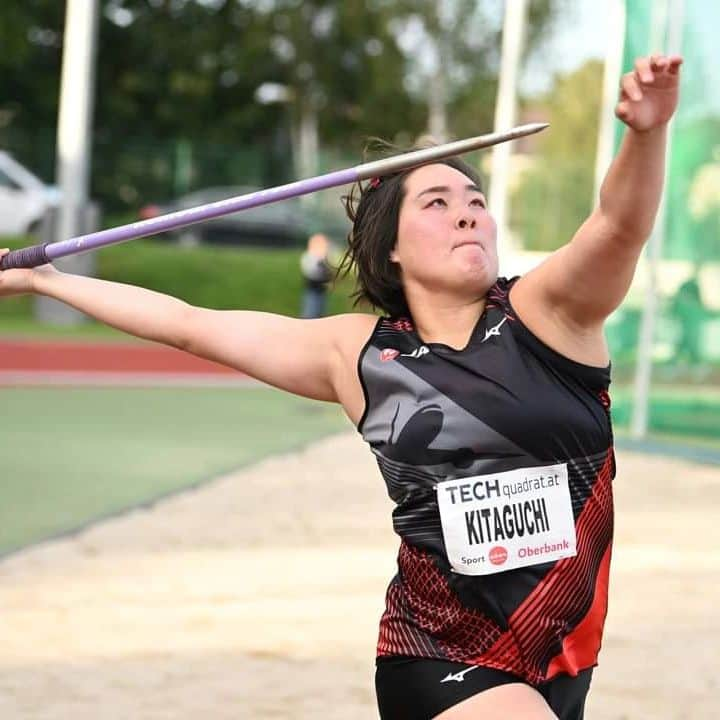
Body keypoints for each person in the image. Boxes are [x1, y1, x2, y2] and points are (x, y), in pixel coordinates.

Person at [0, 53, 682, 720]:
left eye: (475, 201)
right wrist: (41, 280)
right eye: (438, 203)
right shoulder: (358, 354)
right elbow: (187, 323)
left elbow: (619, 227)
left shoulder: (549, 315)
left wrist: (646, 135)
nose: (468, 213)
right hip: (437, 655)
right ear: (392, 245)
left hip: (564, 661)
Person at [300, 232, 332, 318]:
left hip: (322, 290)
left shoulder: (325, 259)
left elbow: (328, 273)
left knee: (321, 311)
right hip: (313, 289)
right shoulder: (309, 257)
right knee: (310, 311)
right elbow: (312, 272)